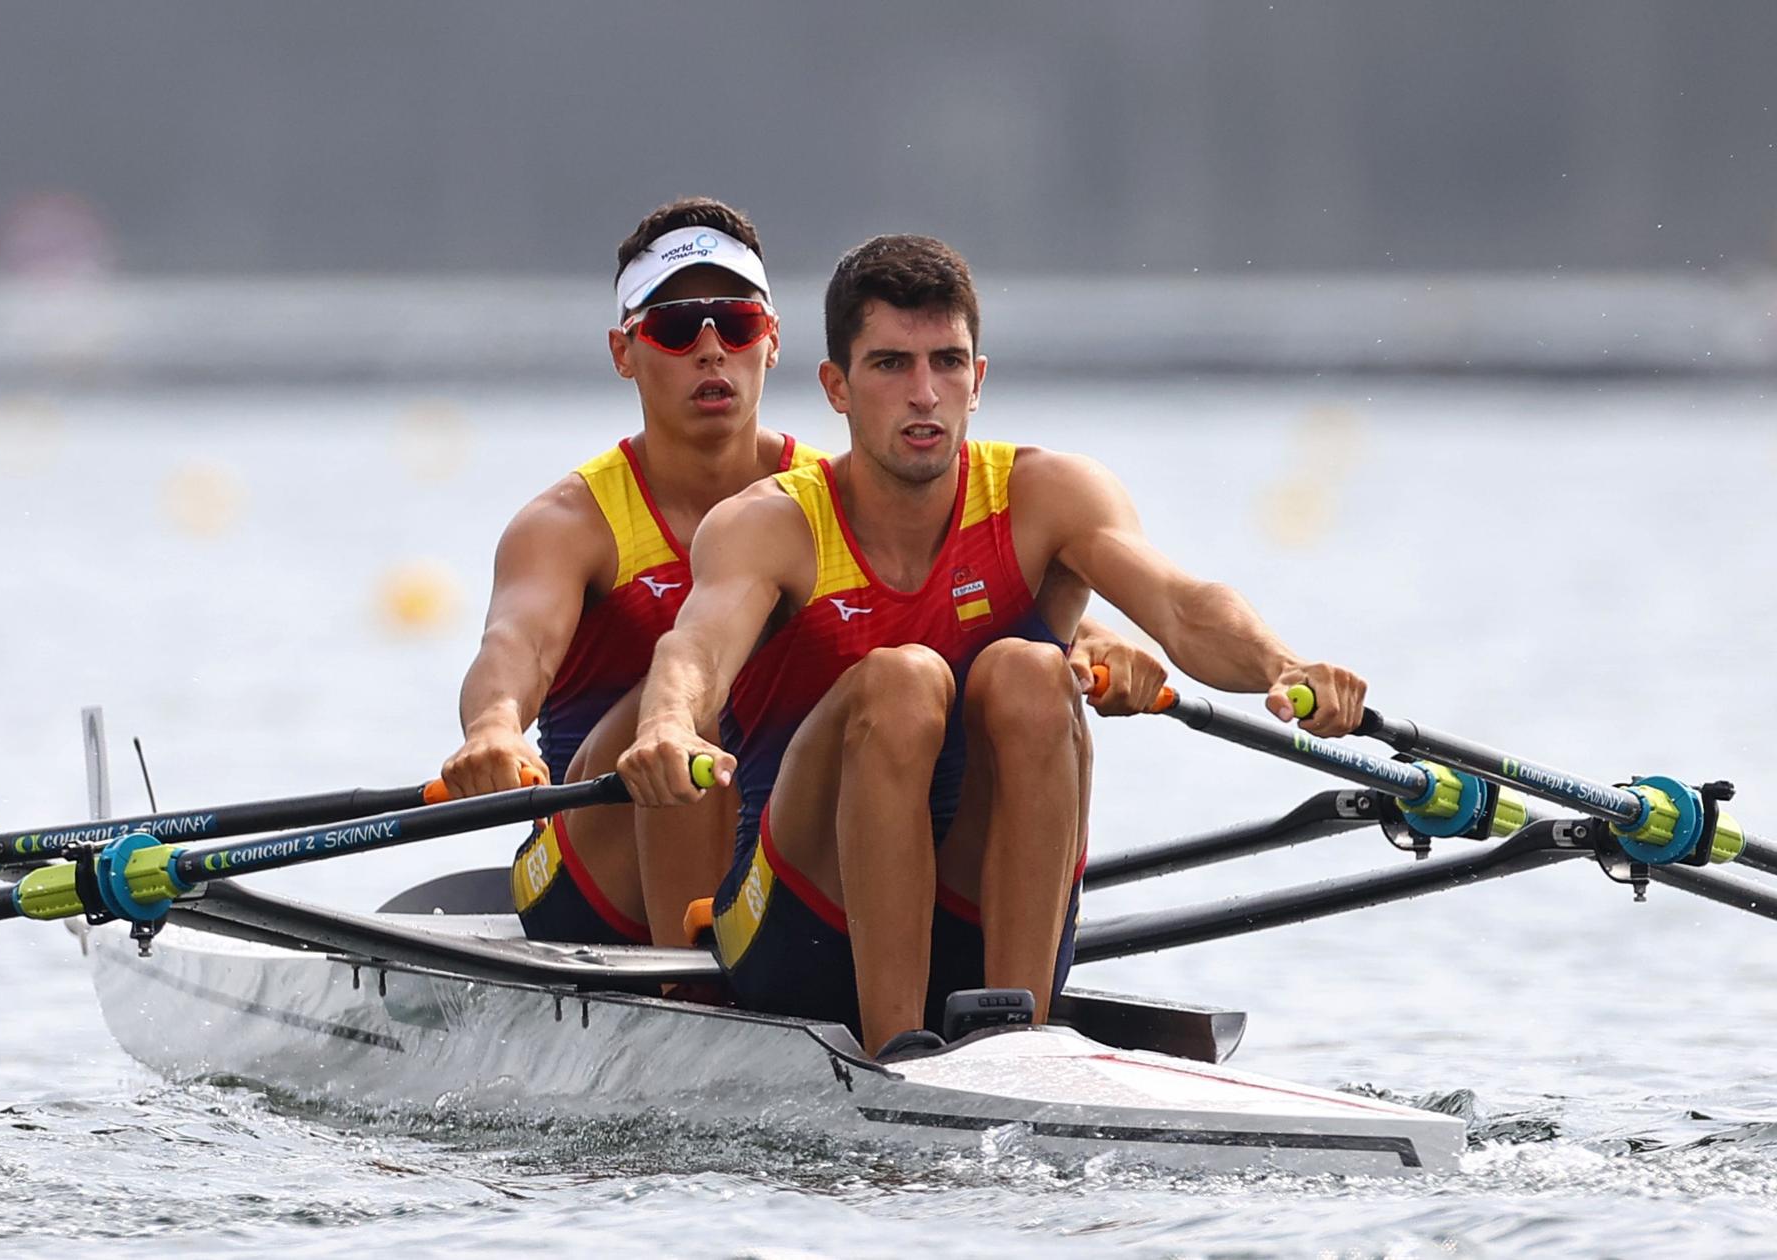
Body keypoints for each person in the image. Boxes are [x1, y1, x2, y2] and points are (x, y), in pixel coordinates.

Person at [618, 234, 1369, 1057]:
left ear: (979, 380)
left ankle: (1023, 1046)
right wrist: (666, 726)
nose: (924, 394)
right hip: (798, 928)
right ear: (836, 387)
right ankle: (898, 1042)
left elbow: (1185, 607)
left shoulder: (1048, 495)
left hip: (980, 911)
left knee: (1028, 671)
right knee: (902, 682)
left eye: (947, 362)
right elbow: (694, 654)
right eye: (891, 366)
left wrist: (1284, 666)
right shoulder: (771, 525)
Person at [438, 196, 825, 947]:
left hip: (776, 852)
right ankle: (696, 993)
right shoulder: (569, 524)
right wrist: (493, 727)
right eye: (677, 329)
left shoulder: (834, 497)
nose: (712, 351)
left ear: (770, 342)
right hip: (589, 880)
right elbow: (516, 645)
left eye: (737, 324)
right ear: (625, 352)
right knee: (691, 692)